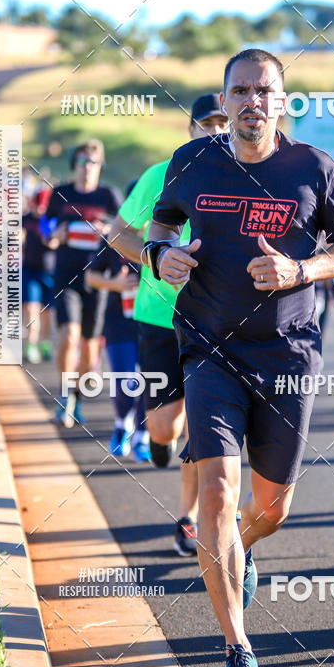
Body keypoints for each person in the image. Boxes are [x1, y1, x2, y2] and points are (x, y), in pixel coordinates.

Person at [145, 48, 334, 667]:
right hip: (209, 348)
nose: (251, 102)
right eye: (239, 90)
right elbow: (164, 219)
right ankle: (238, 649)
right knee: (214, 490)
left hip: (289, 355)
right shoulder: (194, 160)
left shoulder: (313, 169)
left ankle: (237, 546)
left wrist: (300, 270)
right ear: (225, 98)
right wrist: (163, 255)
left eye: (263, 91)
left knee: (270, 508)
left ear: (281, 101)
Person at [107, 95, 229, 557]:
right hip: (157, 317)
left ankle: (188, 518)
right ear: (191, 129)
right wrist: (155, 258)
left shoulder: (248, 179)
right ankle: (159, 441)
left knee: (204, 423)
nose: (217, 129)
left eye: (224, 121)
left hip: (214, 320)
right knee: (164, 426)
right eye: (207, 123)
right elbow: (117, 233)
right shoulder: (162, 174)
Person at [44, 139, 120, 426]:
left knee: (89, 355)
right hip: (66, 276)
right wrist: (56, 232)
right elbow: (44, 225)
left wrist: (108, 230)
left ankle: (76, 395)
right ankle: (65, 396)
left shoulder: (109, 196)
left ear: (100, 167)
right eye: (82, 162)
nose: (87, 168)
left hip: (97, 281)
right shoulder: (61, 194)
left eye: (93, 163)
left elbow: (127, 228)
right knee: (69, 336)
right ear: (74, 166)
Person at [85, 181, 150, 463]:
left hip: (153, 321)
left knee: (150, 382)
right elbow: (90, 277)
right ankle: (122, 424)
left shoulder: (169, 237)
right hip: (118, 322)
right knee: (126, 380)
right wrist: (117, 284)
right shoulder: (114, 238)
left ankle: (143, 436)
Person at [22, 187, 55, 364]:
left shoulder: (52, 220)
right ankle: (31, 345)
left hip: (49, 272)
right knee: (31, 308)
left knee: (47, 312)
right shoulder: (26, 219)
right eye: (38, 205)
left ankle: (45, 343)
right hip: (30, 270)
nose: (40, 209)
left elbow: (55, 243)